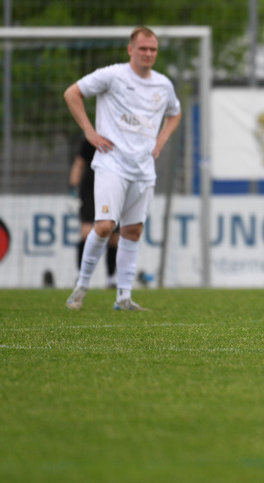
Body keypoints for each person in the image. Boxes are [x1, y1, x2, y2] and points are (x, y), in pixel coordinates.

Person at [63, 26, 182, 312]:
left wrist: (161, 140)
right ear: (131, 50)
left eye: (153, 49)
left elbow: (175, 113)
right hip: (111, 164)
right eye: (143, 48)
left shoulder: (163, 85)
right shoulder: (112, 75)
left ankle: (123, 297)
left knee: (132, 231)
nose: (148, 54)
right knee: (104, 226)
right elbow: (72, 93)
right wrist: (89, 132)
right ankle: (81, 286)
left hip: (143, 169)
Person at [69, 134, 118, 288]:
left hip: (114, 190)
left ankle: (111, 276)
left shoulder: (121, 139)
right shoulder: (91, 139)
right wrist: (73, 188)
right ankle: (82, 275)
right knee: (86, 232)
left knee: (114, 237)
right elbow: (79, 163)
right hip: (90, 191)